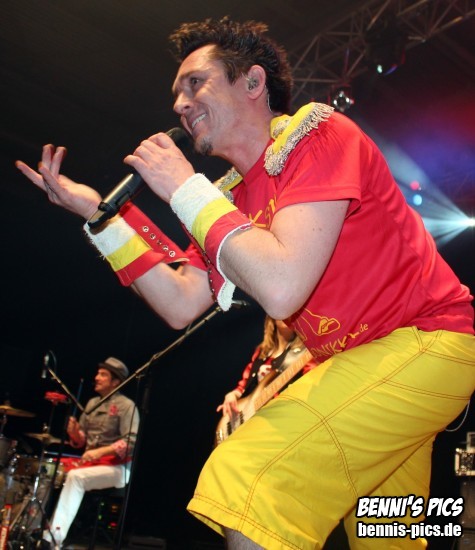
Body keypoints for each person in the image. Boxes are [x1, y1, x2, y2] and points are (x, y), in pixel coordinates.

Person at [16, 16, 475, 550]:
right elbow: (180, 302)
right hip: (368, 367)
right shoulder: (228, 199)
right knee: (388, 538)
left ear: (253, 82)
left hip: (427, 344)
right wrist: (100, 216)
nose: (180, 104)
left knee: (249, 480)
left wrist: (185, 188)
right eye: (176, 93)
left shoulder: (319, 134)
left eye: (195, 83)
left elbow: (281, 287)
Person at [41, 357, 139, 548]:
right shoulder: (93, 403)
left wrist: (101, 452)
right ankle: (32, 528)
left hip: (117, 469)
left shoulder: (127, 406)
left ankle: (53, 539)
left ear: (115, 382)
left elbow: (131, 441)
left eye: (103, 375)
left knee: (76, 477)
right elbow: (81, 440)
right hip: (91, 465)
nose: (97, 378)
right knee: (47, 470)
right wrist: (74, 432)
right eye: (98, 374)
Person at [216, 316, 316, 430]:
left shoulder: (305, 353)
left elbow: (310, 387)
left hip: (278, 422)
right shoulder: (262, 351)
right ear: (272, 316)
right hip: (249, 418)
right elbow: (244, 385)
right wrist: (233, 395)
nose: (285, 315)